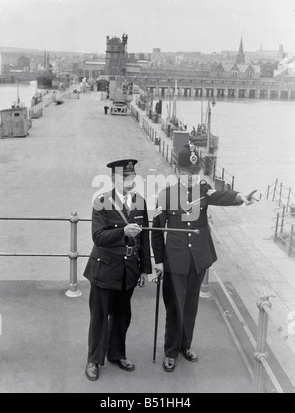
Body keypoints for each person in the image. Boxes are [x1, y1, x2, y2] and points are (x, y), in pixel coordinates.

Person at [151, 143, 258, 373]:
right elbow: (158, 230)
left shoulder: (203, 190)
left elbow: (219, 195)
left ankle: (185, 346)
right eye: (186, 173)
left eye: (194, 173)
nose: (190, 178)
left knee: (191, 306)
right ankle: (170, 352)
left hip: (198, 258)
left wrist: (240, 197)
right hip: (175, 261)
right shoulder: (166, 195)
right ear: (177, 172)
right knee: (175, 307)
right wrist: (158, 261)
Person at [83, 159, 152, 381]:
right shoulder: (101, 202)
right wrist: (123, 231)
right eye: (125, 178)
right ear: (114, 179)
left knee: (123, 315)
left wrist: (144, 270)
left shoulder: (140, 202)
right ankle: (93, 359)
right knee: (100, 317)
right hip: (105, 270)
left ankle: (116, 353)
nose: (130, 183)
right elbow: (98, 237)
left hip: (128, 271)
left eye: (133, 178)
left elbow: (145, 238)